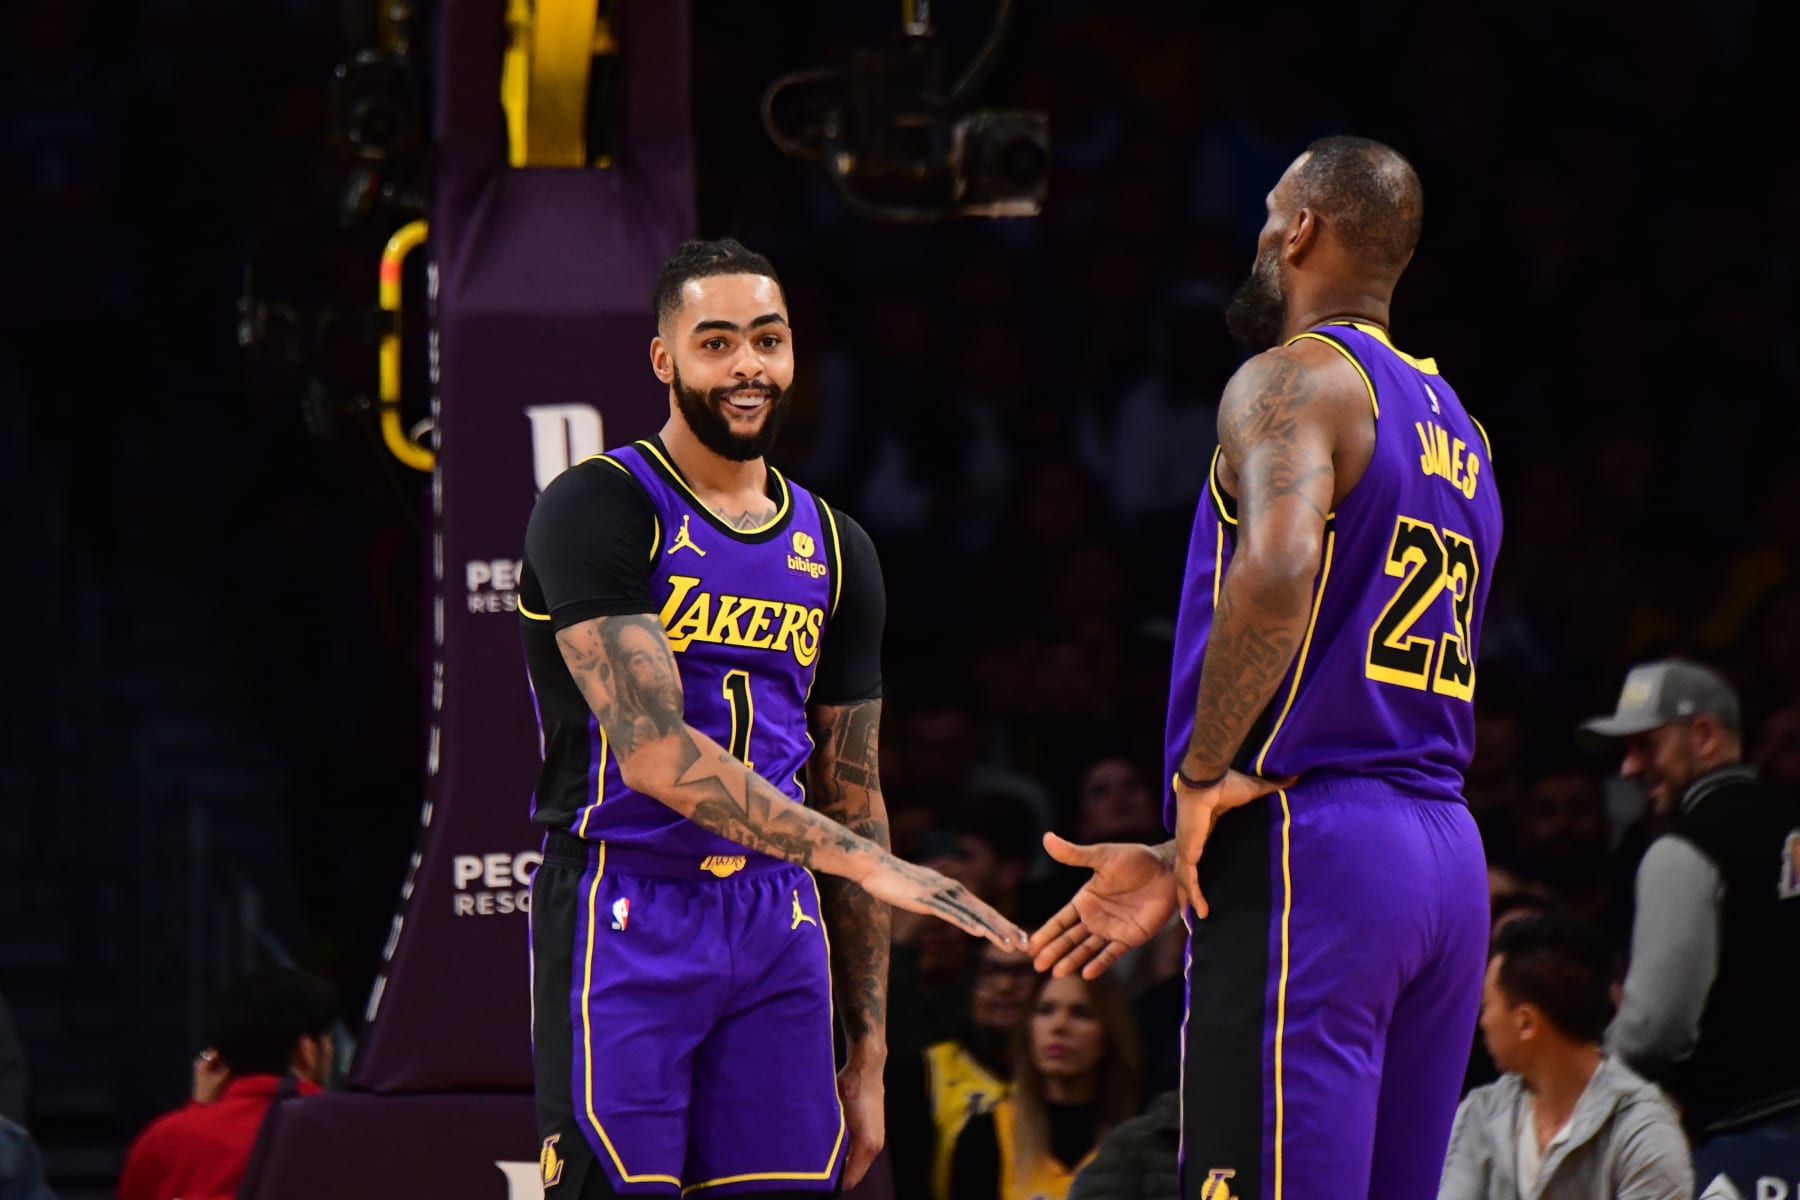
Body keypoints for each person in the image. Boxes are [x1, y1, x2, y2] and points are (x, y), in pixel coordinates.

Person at [1030, 136, 1503, 1200]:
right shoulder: (1461, 432)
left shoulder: (1291, 380)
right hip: (1442, 859)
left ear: (1300, 229)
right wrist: (1183, 845)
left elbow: (1280, 572)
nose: (1258, 235)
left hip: (1319, 857)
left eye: (1267, 214)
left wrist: (1201, 781)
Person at [518, 238, 1025, 1200]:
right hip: (628, 907)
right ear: (665, 360)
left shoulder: (840, 547)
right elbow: (658, 756)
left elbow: (855, 791)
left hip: (777, 923)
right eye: (717, 343)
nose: (749, 365)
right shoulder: (600, 508)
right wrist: (862, 857)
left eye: (769, 340)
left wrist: (870, 1053)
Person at [1577, 660, 1800, 1163]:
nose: (1629, 768)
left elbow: (1657, 1028)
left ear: (1703, 737)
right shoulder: (1791, 818)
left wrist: (1586, 1083)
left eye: (1645, 746)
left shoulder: (1686, 847)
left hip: (1745, 1144)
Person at [1438, 913, 1690, 1200]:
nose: (1482, 1022)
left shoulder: (1643, 1132)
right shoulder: (1480, 1114)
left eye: (1487, 1005)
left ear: (1526, 1022)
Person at [116, 969, 335, 1200]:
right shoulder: (349, 1129)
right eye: (329, 1038)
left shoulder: (164, 1140)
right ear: (307, 1050)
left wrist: (197, 1111)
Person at [947, 974, 1141, 1200]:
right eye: (1045, 1010)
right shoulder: (987, 1132)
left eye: (1081, 1013)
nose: (1059, 1026)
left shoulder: (1139, 1141)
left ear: (1109, 1035)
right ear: (1029, 1028)